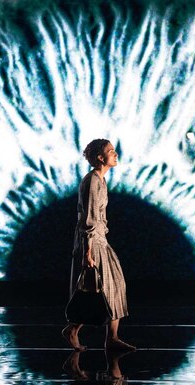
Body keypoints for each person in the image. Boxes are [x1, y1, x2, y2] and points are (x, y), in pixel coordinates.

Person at [62, 139, 136, 351]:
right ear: (100, 158)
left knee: (115, 285)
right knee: (93, 289)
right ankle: (73, 329)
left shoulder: (100, 181)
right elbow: (89, 219)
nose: (115, 154)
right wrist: (87, 252)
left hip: (100, 239)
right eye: (111, 152)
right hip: (92, 241)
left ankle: (112, 338)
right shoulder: (93, 181)